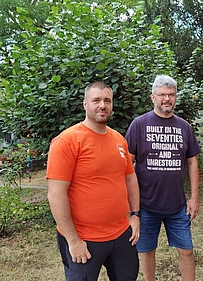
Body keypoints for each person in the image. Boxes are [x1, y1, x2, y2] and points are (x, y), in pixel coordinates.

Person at [47, 81, 140, 281]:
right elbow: (56, 194)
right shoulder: (67, 141)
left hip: (122, 235)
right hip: (84, 240)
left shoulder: (118, 140)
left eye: (107, 100)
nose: (102, 105)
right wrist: (73, 240)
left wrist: (135, 214)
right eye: (96, 100)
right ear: (85, 104)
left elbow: (130, 178)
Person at [125, 74, 201, 281]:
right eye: (162, 95)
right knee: (147, 251)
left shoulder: (184, 126)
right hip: (146, 205)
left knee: (186, 250)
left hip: (178, 205)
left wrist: (194, 197)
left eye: (171, 95)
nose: (167, 99)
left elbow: (192, 162)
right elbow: (126, 164)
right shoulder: (139, 124)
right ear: (153, 97)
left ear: (176, 97)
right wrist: (130, 204)